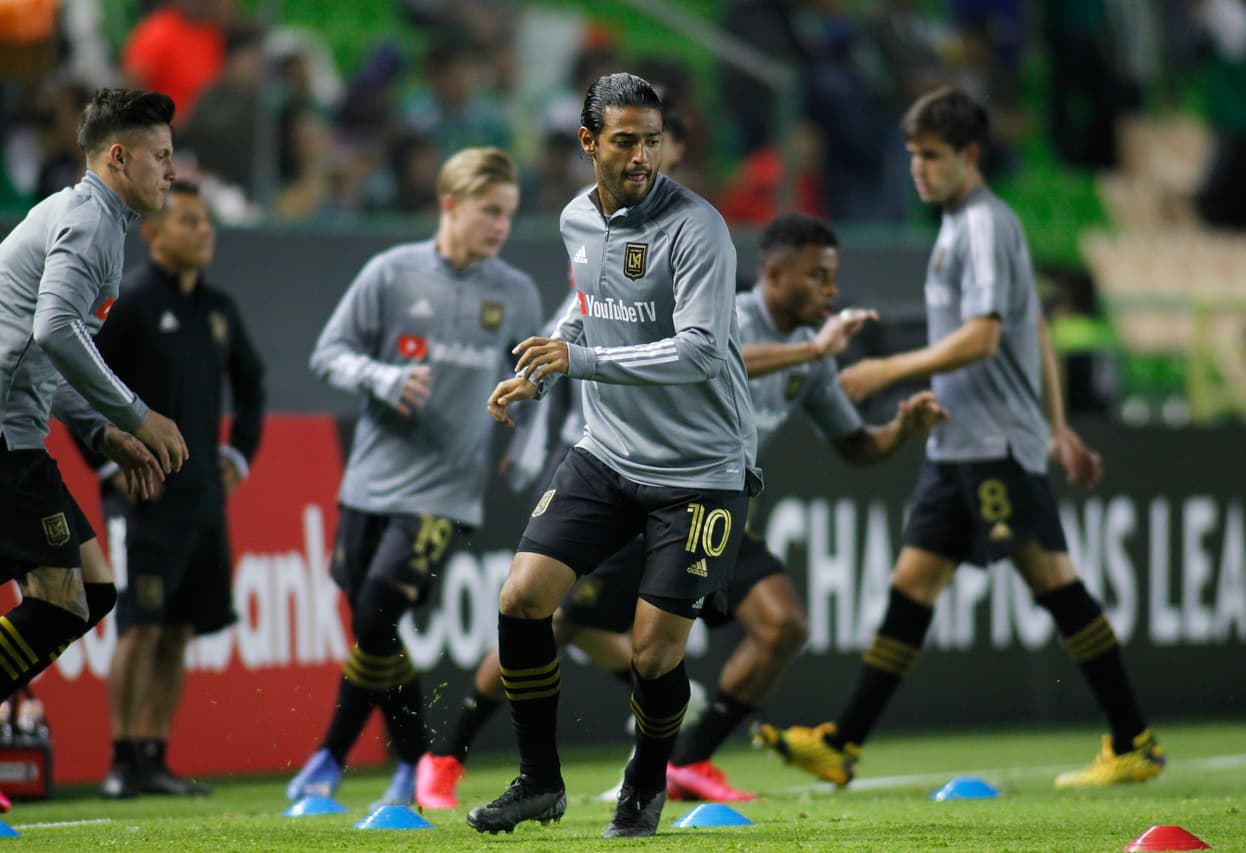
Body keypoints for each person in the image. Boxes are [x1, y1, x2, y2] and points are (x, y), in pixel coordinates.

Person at [417, 212, 947, 808]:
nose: (830, 290)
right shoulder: (727, 310)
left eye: (833, 277)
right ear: (774, 274)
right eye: (816, 276)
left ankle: (688, 762)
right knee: (555, 620)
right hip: (645, 491)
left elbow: (855, 446)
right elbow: (712, 355)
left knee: (783, 626)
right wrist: (811, 351)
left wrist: (901, 430)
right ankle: (447, 754)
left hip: (713, 498)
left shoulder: (813, 357)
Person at [753, 86, 1165, 790]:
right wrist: (1060, 426)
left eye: (932, 156)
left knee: (1052, 580)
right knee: (912, 584)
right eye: (912, 154)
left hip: (993, 442)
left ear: (970, 156)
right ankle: (842, 743)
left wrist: (887, 368)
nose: (918, 168)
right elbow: (1035, 325)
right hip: (958, 443)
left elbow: (984, 337)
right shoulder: (958, 227)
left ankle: (1133, 739)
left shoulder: (982, 227)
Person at [466, 72, 759, 840]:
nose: (641, 157)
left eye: (652, 141)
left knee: (654, 656)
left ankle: (646, 781)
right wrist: (540, 367)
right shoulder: (576, 218)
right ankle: (539, 781)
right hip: (608, 451)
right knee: (522, 596)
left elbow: (700, 350)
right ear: (588, 142)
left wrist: (579, 361)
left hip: (701, 469)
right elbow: (588, 303)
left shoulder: (698, 229)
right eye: (625, 141)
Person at [285, 147, 542, 809]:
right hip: (370, 479)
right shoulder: (391, 273)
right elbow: (328, 353)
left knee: (377, 609)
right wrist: (383, 377)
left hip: (445, 489)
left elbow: (537, 379)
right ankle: (407, 761)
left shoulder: (515, 293)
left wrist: (527, 438)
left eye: (508, 214)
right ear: (450, 204)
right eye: (489, 211)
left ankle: (336, 756)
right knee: (373, 626)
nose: (501, 226)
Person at [0, 87, 188, 705]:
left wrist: (104, 432)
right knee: (63, 600)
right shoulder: (90, 223)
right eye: (161, 156)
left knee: (92, 591)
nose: (172, 171)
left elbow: (46, 351)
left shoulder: (91, 217)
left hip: (17, 432)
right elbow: (55, 329)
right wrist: (137, 415)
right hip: (6, 436)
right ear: (118, 157)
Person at [88, 180, 266, 799]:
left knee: (178, 630)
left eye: (206, 221)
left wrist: (237, 455)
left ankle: (153, 755)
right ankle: (120, 760)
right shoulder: (131, 304)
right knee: (139, 627)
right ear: (154, 233)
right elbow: (81, 383)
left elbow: (252, 385)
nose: (204, 231)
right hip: (144, 498)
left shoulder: (218, 309)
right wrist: (109, 464)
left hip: (202, 497)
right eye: (189, 221)